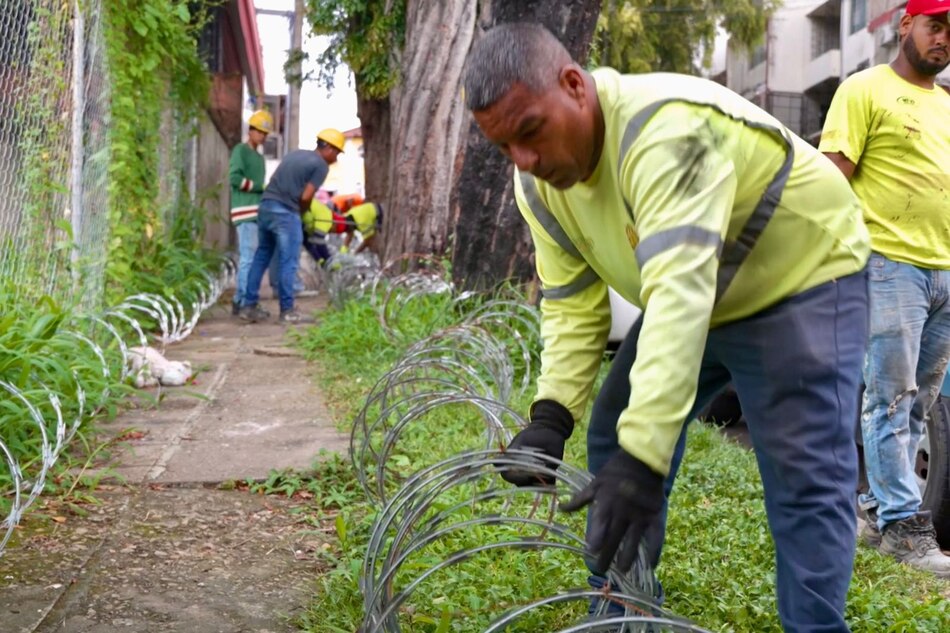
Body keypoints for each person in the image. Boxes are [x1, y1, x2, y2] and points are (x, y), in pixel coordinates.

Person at [464, 22, 871, 633]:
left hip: (802, 276)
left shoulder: (667, 130)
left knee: (803, 475)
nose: (525, 161)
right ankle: (622, 611)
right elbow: (573, 300)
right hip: (705, 284)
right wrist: (551, 417)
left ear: (575, 85)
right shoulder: (538, 185)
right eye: (506, 148)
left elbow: (679, 296)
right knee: (614, 431)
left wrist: (646, 460)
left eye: (531, 132)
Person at [818, 0, 950, 577]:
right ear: (906, 27)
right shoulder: (863, 90)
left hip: (946, 271)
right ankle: (902, 525)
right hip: (889, 265)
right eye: (936, 25)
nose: (945, 39)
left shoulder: (948, 106)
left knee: (921, 402)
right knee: (889, 399)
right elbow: (828, 184)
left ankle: (877, 510)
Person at [240, 128, 345, 323]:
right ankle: (287, 310)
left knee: (262, 256)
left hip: (266, 206)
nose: (336, 158)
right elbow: (305, 196)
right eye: (337, 152)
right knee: (288, 261)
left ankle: (248, 306)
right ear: (328, 148)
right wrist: (302, 213)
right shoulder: (321, 165)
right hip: (286, 212)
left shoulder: (296, 154)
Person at [228, 109, 277, 316]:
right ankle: (242, 302)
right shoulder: (241, 150)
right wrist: (259, 187)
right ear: (251, 131)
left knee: (253, 257)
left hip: (256, 213)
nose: (263, 136)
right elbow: (234, 178)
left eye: (266, 133)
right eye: (260, 132)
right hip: (244, 211)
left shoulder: (259, 158)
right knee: (248, 258)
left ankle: (242, 300)